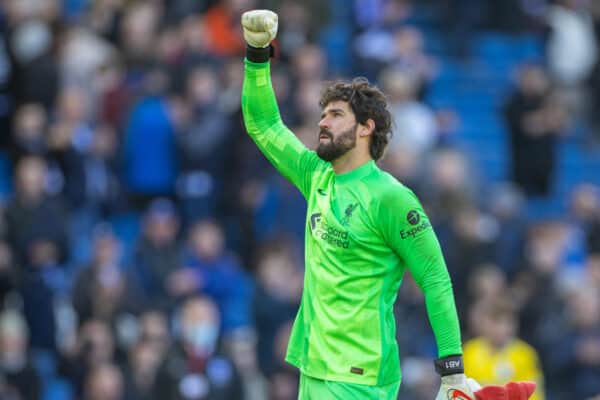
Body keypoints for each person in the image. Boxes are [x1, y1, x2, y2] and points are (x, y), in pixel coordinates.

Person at [240, 10, 475, 399]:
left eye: (335, 115)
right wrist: (257, 52)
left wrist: (451, 370)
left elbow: (435, 279)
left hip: (359, 374)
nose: (323, 123)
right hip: (313, 365)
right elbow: (263, 125)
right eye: (322, 115)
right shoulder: (316, 174)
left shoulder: (391, 197)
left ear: (366, 128)